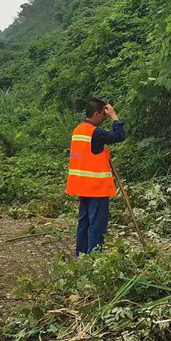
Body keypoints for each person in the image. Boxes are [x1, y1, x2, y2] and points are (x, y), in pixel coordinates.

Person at [66, 98, 126, 256]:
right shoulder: (96, 133)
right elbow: (120, 136)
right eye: (103, 115)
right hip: (96, 188)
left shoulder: (78, 130)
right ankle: (94, 259)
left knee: (84, 222)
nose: (104, 119)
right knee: (96, 226)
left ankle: (81, 255)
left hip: (82, 186)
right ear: (96, 113)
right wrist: (114, 116)